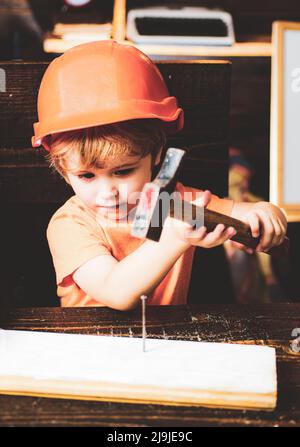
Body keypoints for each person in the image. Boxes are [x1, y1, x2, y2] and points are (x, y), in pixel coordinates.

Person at [32, 40, 287, 309]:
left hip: (166, 343)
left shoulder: (173, 203)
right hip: (89, 343)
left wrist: (267, 214)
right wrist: (174, 238)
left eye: (123, 171)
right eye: (86, 176)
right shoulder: (70, 225)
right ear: (64, 170)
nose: (107, 192)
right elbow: (115, 291)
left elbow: (243, 214)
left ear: (155, 154)